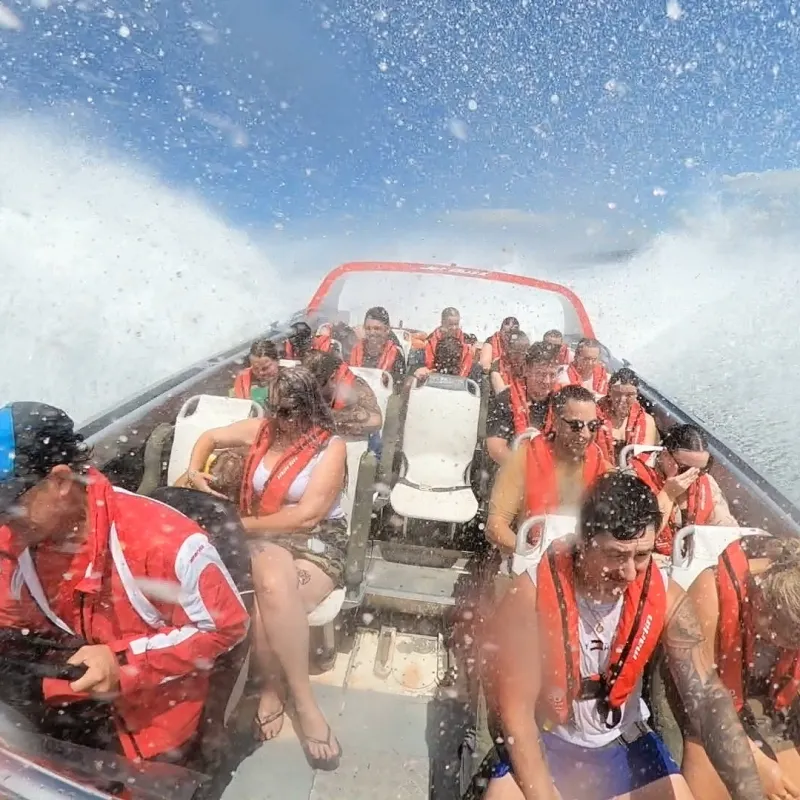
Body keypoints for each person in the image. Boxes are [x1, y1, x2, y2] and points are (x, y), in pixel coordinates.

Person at [481, 471, 763, 800]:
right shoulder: (529, 596)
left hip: (623, 741)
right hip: (548, 739)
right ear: (583, 544)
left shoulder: (666, 601)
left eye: (641, 556)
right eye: (616, 555)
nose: (629, 573)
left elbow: (708, 703)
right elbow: (516, 715)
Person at [0, 402, 250, 763]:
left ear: (59, 481)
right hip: (65, 704)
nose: (5, 521)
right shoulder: (14, 544)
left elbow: (226, 626)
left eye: (10, 504)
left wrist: (123, 662)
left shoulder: (168, 543)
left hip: (153, 722)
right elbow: (10, 623)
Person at [186, 367, 347, 770]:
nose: (282, 419)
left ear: (310, 408)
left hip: (315, 541)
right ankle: (284, 692)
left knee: (263, 606)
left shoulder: (332, 447)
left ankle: (288, 694)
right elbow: (208, 437)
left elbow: (306, 517)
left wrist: (237, 525)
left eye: (290, 412)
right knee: (268, 593)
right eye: (276, 410)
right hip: (263, 537)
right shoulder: (262, 429)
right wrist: (194, 469)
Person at [682, 535, 800, 800]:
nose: (773, 639)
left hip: (756, 696)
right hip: (697, 699)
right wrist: (752, 761)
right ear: (764, 597)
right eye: (772, 630)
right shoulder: (710, 592)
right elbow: (700, 701)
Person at [486, 385, 612, 553]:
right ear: (556, 422)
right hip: (530, 557)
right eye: (576, 425)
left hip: (583, 561)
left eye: (592, 426)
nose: (585, 434)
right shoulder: (524, 459)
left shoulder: (602, 467)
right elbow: (495, 527)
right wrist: (533, 556)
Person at [628, 424, 737, 557]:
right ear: (665, 455)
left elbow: (727, 531)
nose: (694, 475)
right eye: (685, 469)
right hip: (651, 558)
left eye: (703, 468)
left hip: (696, 560)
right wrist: (669, 493)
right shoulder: (634, 478)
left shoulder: (706, 481)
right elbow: (638, 539)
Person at [485, 341, 558, 467]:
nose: (546, 381)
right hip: (508, 473)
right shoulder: (504, 400)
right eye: (540, 374)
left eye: (552, 375)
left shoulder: (561, 401)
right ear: (526, 370)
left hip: (548, 471)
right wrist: (529, 472)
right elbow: (496, 449)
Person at [303, 350, 382, 438]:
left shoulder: (356, 387)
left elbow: (376, 420)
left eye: (316, 386)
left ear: (332, 378)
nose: (312, 391)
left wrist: (330, 418)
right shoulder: (304, 385)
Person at [595, 368, 659, 465]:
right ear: (609, 392)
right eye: (617, 394)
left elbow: (644, 461)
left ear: (636, 395)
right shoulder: (593, 414)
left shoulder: (647, 421)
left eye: (629, 395)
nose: (622, 400)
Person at [348, 306, 406, 387]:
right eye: (368, 328)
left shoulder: (397, 354)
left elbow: (398, 389)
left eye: (377, 328)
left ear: (387, 330)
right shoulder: (353, 350)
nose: (372, 332)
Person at [232, 338, 280, 406]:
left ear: (277, 361)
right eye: (255, 368)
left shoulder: (292, 377)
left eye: (265, 368)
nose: (260, 373)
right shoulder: (243, 378)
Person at [415, 335, 482, 383]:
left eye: (454, 359)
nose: (449, 364)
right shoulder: (425, 374)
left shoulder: (473, 371)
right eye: (445, 359)